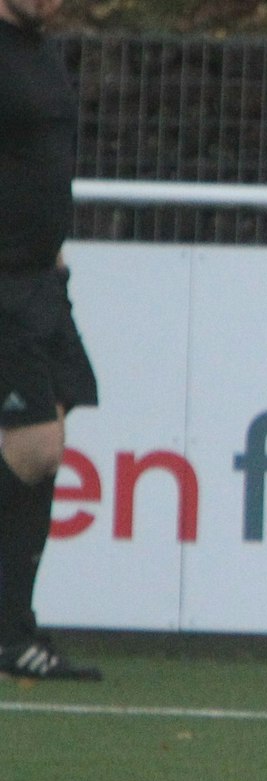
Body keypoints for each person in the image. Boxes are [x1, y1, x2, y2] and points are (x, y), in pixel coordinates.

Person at [0, 0, 102, 682]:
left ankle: (12, 630)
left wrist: (52, 250)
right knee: (36, 446)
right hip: (6, 283)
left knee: (49, 439)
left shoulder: (38, 50)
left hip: (41, 277)